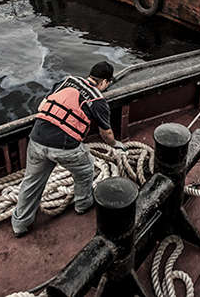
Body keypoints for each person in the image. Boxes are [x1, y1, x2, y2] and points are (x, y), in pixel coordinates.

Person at [11, 61, 124, 237]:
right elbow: (106, 133)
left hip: (36, 140)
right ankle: (83, 205)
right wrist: (115, 145)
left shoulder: (65, 81)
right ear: (104, 82)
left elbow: (44, 104)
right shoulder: (98, 99)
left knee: (31, 182)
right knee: (86, 169)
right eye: (108, 84)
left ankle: (19, 225)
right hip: (65, 148)